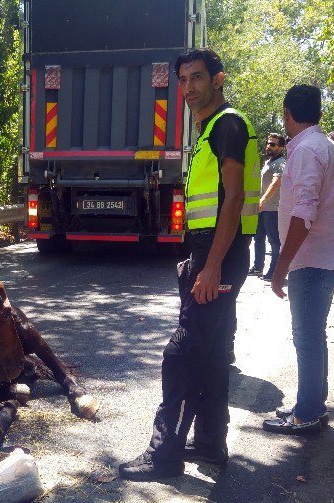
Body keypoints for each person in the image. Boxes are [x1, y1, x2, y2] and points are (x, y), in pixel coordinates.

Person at [119, 49, 259, 480]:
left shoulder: (227, 125)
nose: (189, 87)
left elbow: (233, 198)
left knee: (180, 353)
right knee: (213, 353)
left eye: (197, 77)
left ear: (218, 79)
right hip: (214, 251)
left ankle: (164, 455)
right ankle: (210, 444)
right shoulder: (210, 131)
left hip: (218, 253)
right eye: (183, 80)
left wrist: (211, 265)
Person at [264, 85, 334, 435]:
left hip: (312, 261)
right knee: (313, 336)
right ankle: (311, 404)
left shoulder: (306, 151)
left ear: (287, 113)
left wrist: (280, 267)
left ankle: (307, 415)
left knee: (307, 338)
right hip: (323, 258)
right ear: (318, 112)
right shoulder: (326, 146)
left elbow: (303, 214)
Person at [249, 132, 286, 280]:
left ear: (281, 147)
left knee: (274, 241)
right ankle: (258, 267)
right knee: (258, 238)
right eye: (268, 143)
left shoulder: (281, 163)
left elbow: (276, 182)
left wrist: (263, 200)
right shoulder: (268, 162)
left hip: (273, 209)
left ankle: (275, 271)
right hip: (262, 209)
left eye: (273, 144)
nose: (269, 146)